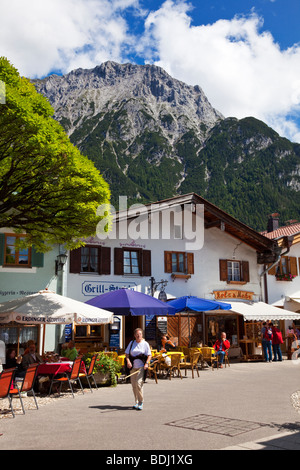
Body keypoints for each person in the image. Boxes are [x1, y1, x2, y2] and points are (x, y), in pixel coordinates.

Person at [125, 328, 151, 411]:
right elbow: (127, 354)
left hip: (141, 367)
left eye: (140, 334)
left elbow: (149, 355)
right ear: (134, 335)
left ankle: (141, 402)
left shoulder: (145, 344)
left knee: (138, 384)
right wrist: (128, 361)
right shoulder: (132, 343)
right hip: (133, 367)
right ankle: (136, 402)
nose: (138, 335)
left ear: (142, 335)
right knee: (134, 385)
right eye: (137, 334)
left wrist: (147, 363)